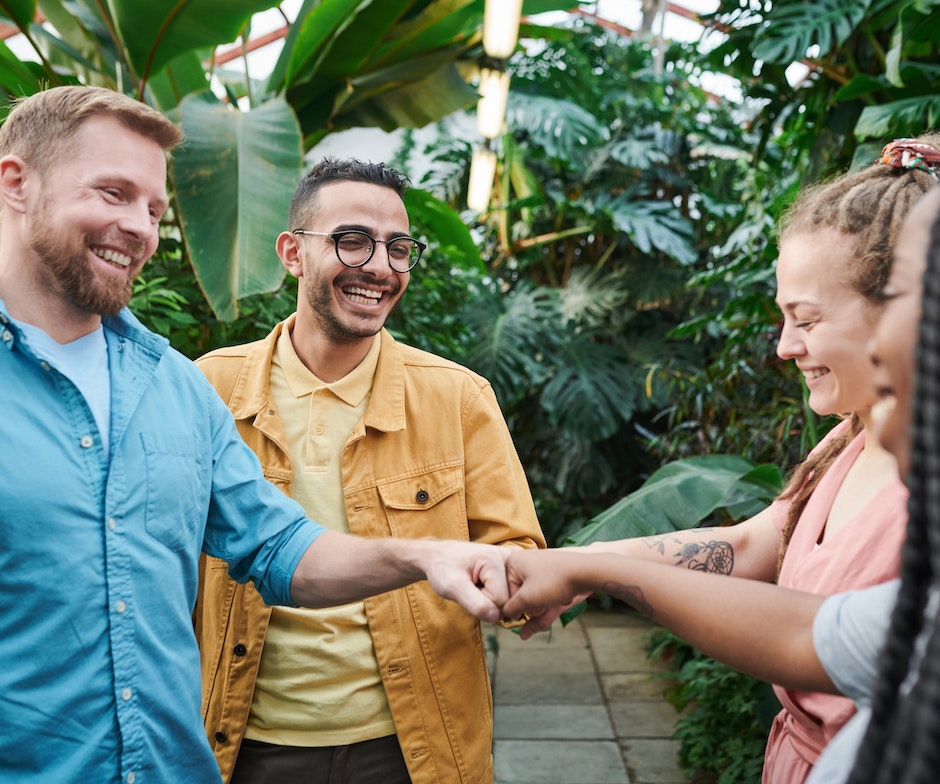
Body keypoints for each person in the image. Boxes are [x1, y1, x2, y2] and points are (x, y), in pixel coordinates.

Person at [0, 86, 515, 784]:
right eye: (113, 193)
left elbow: (277, 545)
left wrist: (423, 556)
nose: (141, 228)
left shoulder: (174, 387)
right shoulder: (218, 380)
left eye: (154, 209)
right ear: (15, 183)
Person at [512, 135, 940, 783]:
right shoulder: (852, 436)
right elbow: (746, 548)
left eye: (807, 319)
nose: (784, 347)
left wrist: (590, 569)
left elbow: (809, 637)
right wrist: (573, 567)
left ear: (907, 310)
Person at [193, 157, 545, 784]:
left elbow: (515, 553)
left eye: (398, 248)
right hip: (241, 744)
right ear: (293, 254)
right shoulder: (207, 389)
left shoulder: (456, 398)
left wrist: (531, 584)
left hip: (409, 748)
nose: (380, 267)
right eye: (352, 241)